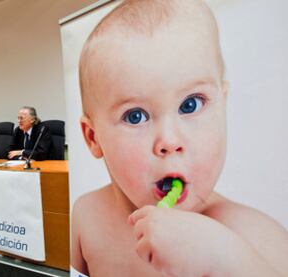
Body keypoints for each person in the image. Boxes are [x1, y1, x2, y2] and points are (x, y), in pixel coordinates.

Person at [71, 0, 288, 276]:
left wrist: (223, 258)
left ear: (223, 104)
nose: (170, 141)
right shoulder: (87, 218)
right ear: (93, 138)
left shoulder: (253, 235)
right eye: (136, 116)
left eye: (191, 105)